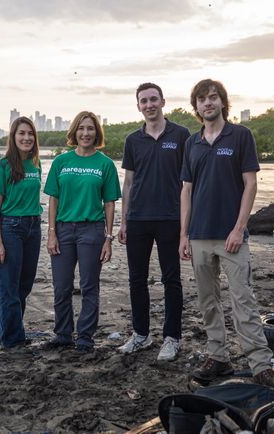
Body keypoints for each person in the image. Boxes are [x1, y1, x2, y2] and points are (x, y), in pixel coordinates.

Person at [179, 79, 274, 386]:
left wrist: (239, 229)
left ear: (223, 102)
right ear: (195, 106)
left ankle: (261, 365)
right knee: (208, 301)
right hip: (199, 236)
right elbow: (186, 190)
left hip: (232, 237)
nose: (208, 103)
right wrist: (183, 235)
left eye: (213, 98)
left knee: (243, 300)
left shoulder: (240, 136)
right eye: (202, 99)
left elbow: (250, 184)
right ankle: (218, 357)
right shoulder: (191, 143)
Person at [117, 83, 190, 361]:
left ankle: (172, 338)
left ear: (163, 101)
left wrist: (187, 223)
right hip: (138, 219)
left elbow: (188, 182)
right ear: (138, 106)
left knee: (171, 279)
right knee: (137, 279)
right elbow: (129, 182)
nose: (149, 105)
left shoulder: (181, 135)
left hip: (171, 218)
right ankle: (141, 334)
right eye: (143, 101)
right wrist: (123, 221)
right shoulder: (132, 140)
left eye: (153, 100)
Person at [44, 111, 121, 353]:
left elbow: (109, 203)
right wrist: (51, 232)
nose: (86, 133)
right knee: (62, 286)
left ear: (97, 133)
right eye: (81, 128)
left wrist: (108, 238)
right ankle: (63, 334)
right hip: (64, 230)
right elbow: (53, 200)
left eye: (90, 129)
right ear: (74, 132)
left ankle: (85, 337)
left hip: (92, 230)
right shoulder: (61, 162)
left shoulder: (105, 164)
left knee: (89, 286)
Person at [0, 116, 42, 349]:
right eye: (21, 133)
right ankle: (13, 340)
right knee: (9, 287)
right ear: (13, 137)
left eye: (30, 134)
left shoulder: (36, 164)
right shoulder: (3, 166)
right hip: (9, 229)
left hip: (33, 227)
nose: (26, 138)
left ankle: (5, 330)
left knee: (24, 285)